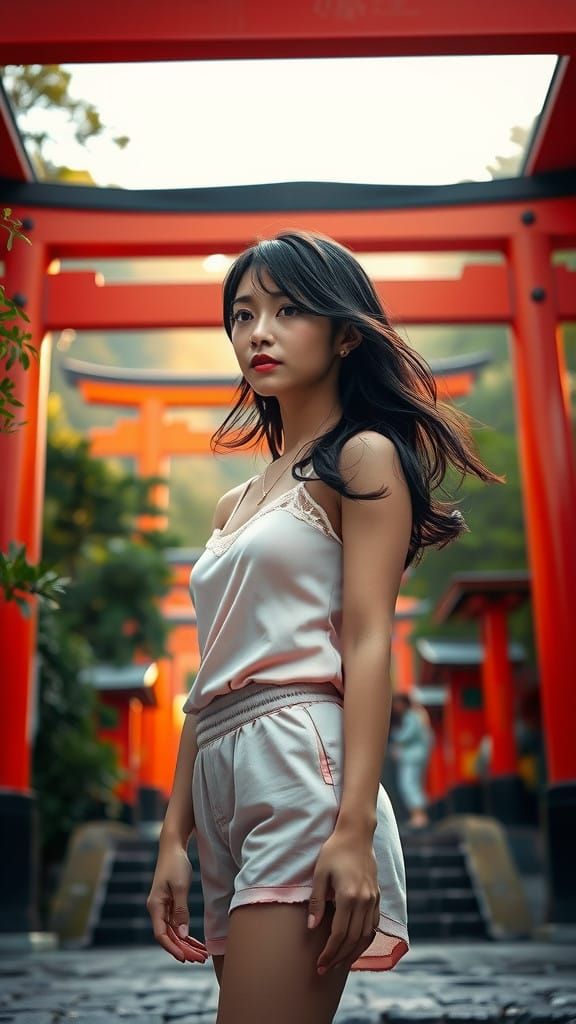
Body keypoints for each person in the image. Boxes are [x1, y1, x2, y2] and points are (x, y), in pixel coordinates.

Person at [146, 229, 501, 1024]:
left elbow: (369, 640)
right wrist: (176, 834)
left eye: (288, 309)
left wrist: (353, 828)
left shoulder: (364, 458)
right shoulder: (232, 505)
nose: (258, 332)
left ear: (346, 332)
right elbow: (208, 677)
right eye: (242, 314)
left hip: (301, 760)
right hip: (221, 772)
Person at [389, 693, 434, 829]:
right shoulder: (414, 716)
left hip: (412, 757)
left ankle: (419, 816)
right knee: (412, 784)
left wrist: (394, 736)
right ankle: (418, 815)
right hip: (413, 756)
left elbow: (407, 734)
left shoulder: (411, 716)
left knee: (408, 784)